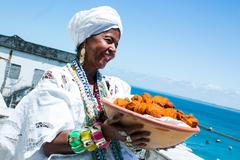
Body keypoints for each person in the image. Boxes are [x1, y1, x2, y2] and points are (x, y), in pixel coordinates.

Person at [0, 6, 150, 160]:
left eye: (116, 45)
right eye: (108, 40)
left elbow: (126, 138)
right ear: (86, 40)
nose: (113, 49)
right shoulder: (58, 80)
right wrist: (102, 133)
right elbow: (48, 145)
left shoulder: (115, 88)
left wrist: (142, 138)